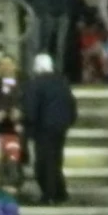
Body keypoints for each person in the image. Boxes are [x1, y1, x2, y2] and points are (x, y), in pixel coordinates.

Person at [22, 52, 76, 205]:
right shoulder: (62, 82)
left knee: (44, 162)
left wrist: (27, 123)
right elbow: (71, 106)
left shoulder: (35, 83)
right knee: (56, 160)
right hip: (60, 128)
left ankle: (49, 194)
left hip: (43, 129)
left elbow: (30, 110)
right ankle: (60, 192)